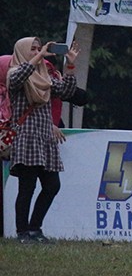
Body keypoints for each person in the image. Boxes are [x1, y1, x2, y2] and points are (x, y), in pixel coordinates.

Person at [6, 37, 79, 244]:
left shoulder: (44, 75)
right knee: (26, 188)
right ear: (21, 51)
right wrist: (39, 56)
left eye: (39, 48)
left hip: (45, 139)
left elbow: (66, 91)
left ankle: (35, 228)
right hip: (27, 137)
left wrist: (71, 64)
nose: (38, 52)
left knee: (52, 185)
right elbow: (19, 77)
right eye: (33, 49)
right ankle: (22, 233)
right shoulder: (15, 73)